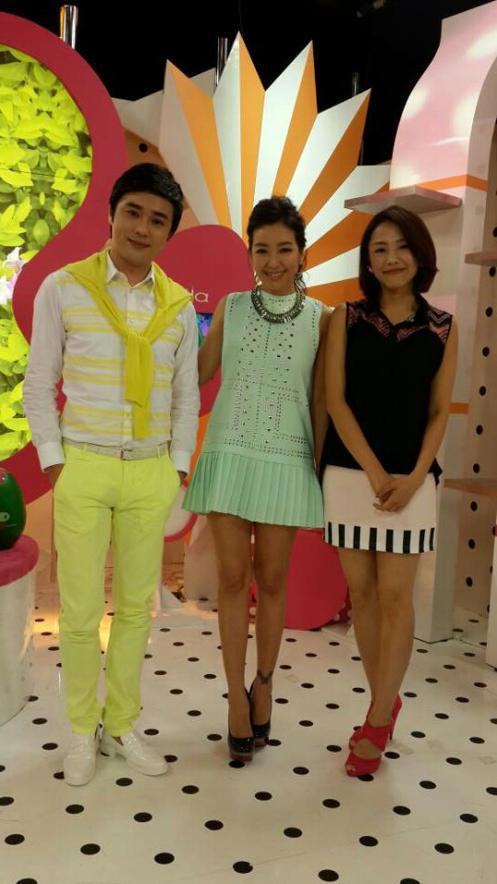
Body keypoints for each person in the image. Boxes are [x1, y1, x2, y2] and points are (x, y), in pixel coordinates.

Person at [23, 163, 199, 785]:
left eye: (158, 220)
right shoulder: (62, 288)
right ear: (112, 213)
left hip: (150, 472)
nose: (143, 228)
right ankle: (80, 729)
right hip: (84, 466)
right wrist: (54, 460)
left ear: (169, 232)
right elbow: (38, 382)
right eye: (134, 212)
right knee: (76, 613)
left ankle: (120, 725)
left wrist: (176, 468)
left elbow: (185, 395)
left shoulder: (178, 307)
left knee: (134, 611)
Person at [183, 196, 328, 761]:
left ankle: (264, 685)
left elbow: (321, 399)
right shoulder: (231, 307)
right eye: (262, 250)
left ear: (301, 254)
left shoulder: (321, 319)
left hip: (287, 460)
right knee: (230, 581)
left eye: (284, 249)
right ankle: (234, 699)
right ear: (250, 254)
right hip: (228, 454)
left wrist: (319, 468)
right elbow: (199, 372)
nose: (273, 261)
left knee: (271, 582)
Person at [321, 205, 457, 776]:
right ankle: (386, 699)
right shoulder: (346, 318)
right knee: (364, 596)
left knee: (397, 597)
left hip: (413, 481)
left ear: (420, 254)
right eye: (379, 248)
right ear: (368, 262)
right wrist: (376, 473)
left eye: (401, 246)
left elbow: (439, 411)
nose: (391, 257)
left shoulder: (443, 326)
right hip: (350, 476)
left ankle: (377, 719)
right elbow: (335, 401)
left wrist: (416, 474)